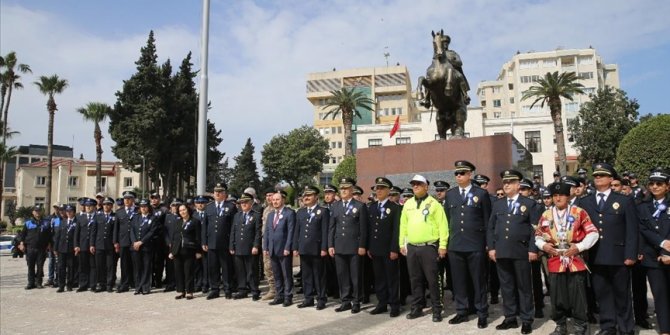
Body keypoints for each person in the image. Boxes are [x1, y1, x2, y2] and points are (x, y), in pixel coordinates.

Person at [580, 163, 639, 335]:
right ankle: (608, 326)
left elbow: (632, 230)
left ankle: (626, 328)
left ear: (611, 179)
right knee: (603, 294)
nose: (598, 178)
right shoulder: (586, 201)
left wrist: (631, 254)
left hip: (618, 255)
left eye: (602, 175)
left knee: (622, 294)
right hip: (596, 256)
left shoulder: (624, 200)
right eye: (596, 175)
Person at [535, 182, 599, 335]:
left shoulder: (579, 212)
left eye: (561, 195)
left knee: (578, 295)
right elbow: (537, 235)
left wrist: (580, 247)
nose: (558, 198)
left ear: (568, 196)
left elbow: (593, 233)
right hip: (555, 260)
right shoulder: (546, 214)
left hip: (575, 259)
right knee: (557, 296)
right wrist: (544, 246)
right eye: (555, 196)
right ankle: (560, 325)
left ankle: (580, 326)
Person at [488, 170, 539, 334]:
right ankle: (510, 317)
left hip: (521, 251)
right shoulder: (498, 204)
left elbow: (535, 230)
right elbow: (491, 228)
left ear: (518, 185)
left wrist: (533, 249)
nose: (507, 185)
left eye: (511, 182)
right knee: (507, 286)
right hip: (502, 251)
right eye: (505, 182)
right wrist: (492, 248)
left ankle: (526, 319)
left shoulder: (529, 204)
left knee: (524, 287)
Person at [444, 161, 492, 328]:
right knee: (459, 280)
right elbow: (447, 220)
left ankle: (481, 312)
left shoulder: (481, 194)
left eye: (462, 173)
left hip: (475, 244)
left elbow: (487, 221)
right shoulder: (450, 194)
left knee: (478, 280)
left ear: (470, 174)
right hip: (456, 244)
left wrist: (488, 244)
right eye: (456, 173)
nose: (459, 176)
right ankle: (462, 311)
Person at [400, 174, 449, 322]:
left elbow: (443, 225)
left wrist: (443, 245)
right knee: (415, 279)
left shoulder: (434, 204)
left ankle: (437, 309)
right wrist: (402, 243)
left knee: (433, 279)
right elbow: (403, 225)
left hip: (429, 247)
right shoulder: (408, 204)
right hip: (412, 247)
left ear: (426, 186)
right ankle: (417, 307)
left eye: (418, 184)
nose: (415, 186)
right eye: (413, 184)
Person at [328, 178, 369, 314]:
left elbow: (364, 228)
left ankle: (356, 301)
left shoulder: (360, 206)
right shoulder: (336, 206)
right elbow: (332, 227)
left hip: (354, 247)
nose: (344, 191)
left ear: (352, 190)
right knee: (342, 275)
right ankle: (345, 301)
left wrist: (362, 245)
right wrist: (330, 245)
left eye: (346, 188)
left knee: (355, 276)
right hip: (339, 246)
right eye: (342, 189)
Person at [637, 168, 670, 335]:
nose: (655, 186)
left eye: (659, 183)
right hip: (652, 257)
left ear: (667, 186)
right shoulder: (643, 207)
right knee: (660, 295)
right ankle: (665, 330)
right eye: (652, 183)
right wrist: (662, 242)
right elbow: (643, 230)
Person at [367, 177, 402, 318]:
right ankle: (382, 303)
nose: (379, 191)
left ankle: (394, 305)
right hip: (375, 249)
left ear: (388, 190)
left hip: (389, 250)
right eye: (377, 188)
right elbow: (370, 229)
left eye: (382, 188)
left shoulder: (394, 208)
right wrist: (369, 247)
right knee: (379, 278)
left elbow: (396, 230)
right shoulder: (372, 207)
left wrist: (394, 249)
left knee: (392, 278)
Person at [293, 185, 330, 310]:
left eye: (309, 195)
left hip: (317, 248)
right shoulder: (301, 212)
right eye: (305, 196)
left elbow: (325, 231)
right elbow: (297, 231)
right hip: (304, 248)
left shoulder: (323, 211)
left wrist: (324, 248)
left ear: (316, 197)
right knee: (306, 275)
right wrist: (295, 247)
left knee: (319, 275)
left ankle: (321, 299)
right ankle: (308, 298)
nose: (306, 198)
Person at [202, 182, 237, 300]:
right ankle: (214, 289)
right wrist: (204, 242)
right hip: (211, 242)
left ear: (224, 194)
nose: (217, 193)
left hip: (225, 243)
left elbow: (233, 227)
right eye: (216, 192)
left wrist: (232, 243)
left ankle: (228, 289)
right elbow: (204, 226)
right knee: (213, 267)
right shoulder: (209, 207)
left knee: (226, 267)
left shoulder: (231, 207)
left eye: (220, 192)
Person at [264, 191, 296, 307]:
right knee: (276, 274)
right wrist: (265, 247)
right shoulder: (271, 214)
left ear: (283, 200)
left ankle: (288, 296)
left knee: (286, 274)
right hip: (272, 249)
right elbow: (267, 232)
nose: (275, 202)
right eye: (273, 200)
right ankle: (279, 295)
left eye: (277, 199)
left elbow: (291, 231)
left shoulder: (289, 213)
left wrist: (288, 247)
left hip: (284, 249)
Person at [229, 193, 262, 300]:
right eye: (241, 203)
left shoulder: (256, 215)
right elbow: (233, 231)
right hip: (238, 247)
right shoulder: (237, 215)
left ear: (251, 203)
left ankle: (254, 290)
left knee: (251, 270)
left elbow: (258, 232)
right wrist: (231, 246)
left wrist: (256, 246)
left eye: (245, 202)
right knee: (240, 271)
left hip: (250, 248)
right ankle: (242, 290)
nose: (243, 204)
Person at [169, 204, 201, 300]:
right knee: (178, 272)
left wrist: (198, 251)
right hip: (177, 251)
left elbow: (198, 237)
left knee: (188, 272)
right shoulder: (177, 222)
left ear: (188, 210)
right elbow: (173, 238)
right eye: (180, 210)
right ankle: (180, 291)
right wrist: (171, 251)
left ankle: (189, 291)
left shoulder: (195, 221)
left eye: (184, 210)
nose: (182, 212)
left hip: (189, 250)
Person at [18, 205, 52, 289]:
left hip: (41, 249)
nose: (37, 212)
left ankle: (38, 283)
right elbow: (23, 235)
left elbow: (49, 235)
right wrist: (22, 244)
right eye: (36, 211)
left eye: (39, 211)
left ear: (41, 212)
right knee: (30, 266)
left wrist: (49, 244)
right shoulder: (28, 223)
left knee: (40, 267)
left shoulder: (46, 222)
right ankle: (31, 283)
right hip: (30, 248)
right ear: (33, 212)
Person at [130, 199, 157, 295]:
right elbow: (132, 231)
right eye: (141, 207)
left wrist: (141, 242)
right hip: (136, 247)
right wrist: (134, 243)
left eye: (145, 206)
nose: (143, 208)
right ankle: (138, 287)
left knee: (146, 267)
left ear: (148, 207)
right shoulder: (135, 217)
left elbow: (152, 232)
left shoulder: (153, 218)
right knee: (137, 268)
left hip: (146, 247)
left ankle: (145, 287)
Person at [92, 197, 117, 292]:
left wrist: (115, 243)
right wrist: (92, 244)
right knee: (99, 265)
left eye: (108, 204)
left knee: (110, 266)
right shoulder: (97, 216)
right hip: (99, 244)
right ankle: (100, 283)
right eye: (105, 204)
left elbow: (115, 231)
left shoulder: (115, 216)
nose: (106, 206)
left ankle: (109, 284)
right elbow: (94, 232)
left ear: (111, 206)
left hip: (110, 245)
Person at [114, 191, 137, 293]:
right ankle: (125, 283)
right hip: (123, 241)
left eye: (129, 198)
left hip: (134, 241)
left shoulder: (138, 211)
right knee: (124, 264)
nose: (126, 200)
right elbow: (116, 228)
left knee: (135, 263)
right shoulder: (119, 212)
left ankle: (135, 283)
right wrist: (115, 242)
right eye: (125, 199)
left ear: (133, 200)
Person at [75, 198, 98, 292]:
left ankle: (93, 285)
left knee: (93, 266)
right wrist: (76, 245)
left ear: (94, 207)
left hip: (94, 246)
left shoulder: (98, 217)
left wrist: (94, 244)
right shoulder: (80, 218)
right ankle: (83, 284)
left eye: (90, 206)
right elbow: (77, 233)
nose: (88, 208)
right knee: (82, 266)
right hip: (83, 246)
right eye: (87, 206)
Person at [54, 205, 77, 292]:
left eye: (70, 211)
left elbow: (77, 236)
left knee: (71, 268)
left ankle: (69, 285)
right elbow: (58, 236)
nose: (68, 213)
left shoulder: (76, 222)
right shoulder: (63, 222)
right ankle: (61, 285)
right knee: (61, 268)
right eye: (67, 211)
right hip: (61, 248)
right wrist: (55, 248)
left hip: (71, 248)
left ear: (74, 212)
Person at [162, 198, 182, 292]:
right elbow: (165, 231)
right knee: (169, 266)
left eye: (177, 205)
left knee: (179, 266)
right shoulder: (167, 217)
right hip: (169, 245)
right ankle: (170, 284)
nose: (175, 207)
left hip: (180, 245)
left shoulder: (183, 217)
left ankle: (180, 284)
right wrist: (168, 242)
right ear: (170, 207)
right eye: (173, 205)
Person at [261, 187, 277, 301]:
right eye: (267, 196)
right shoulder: (266, 210)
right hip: (265, 242)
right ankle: (272, 289)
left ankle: (281, 289)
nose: (268, 198)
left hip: (277, 243)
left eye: (270, 195)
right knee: (267, 267)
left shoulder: (280, 209)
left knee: (278, 267)